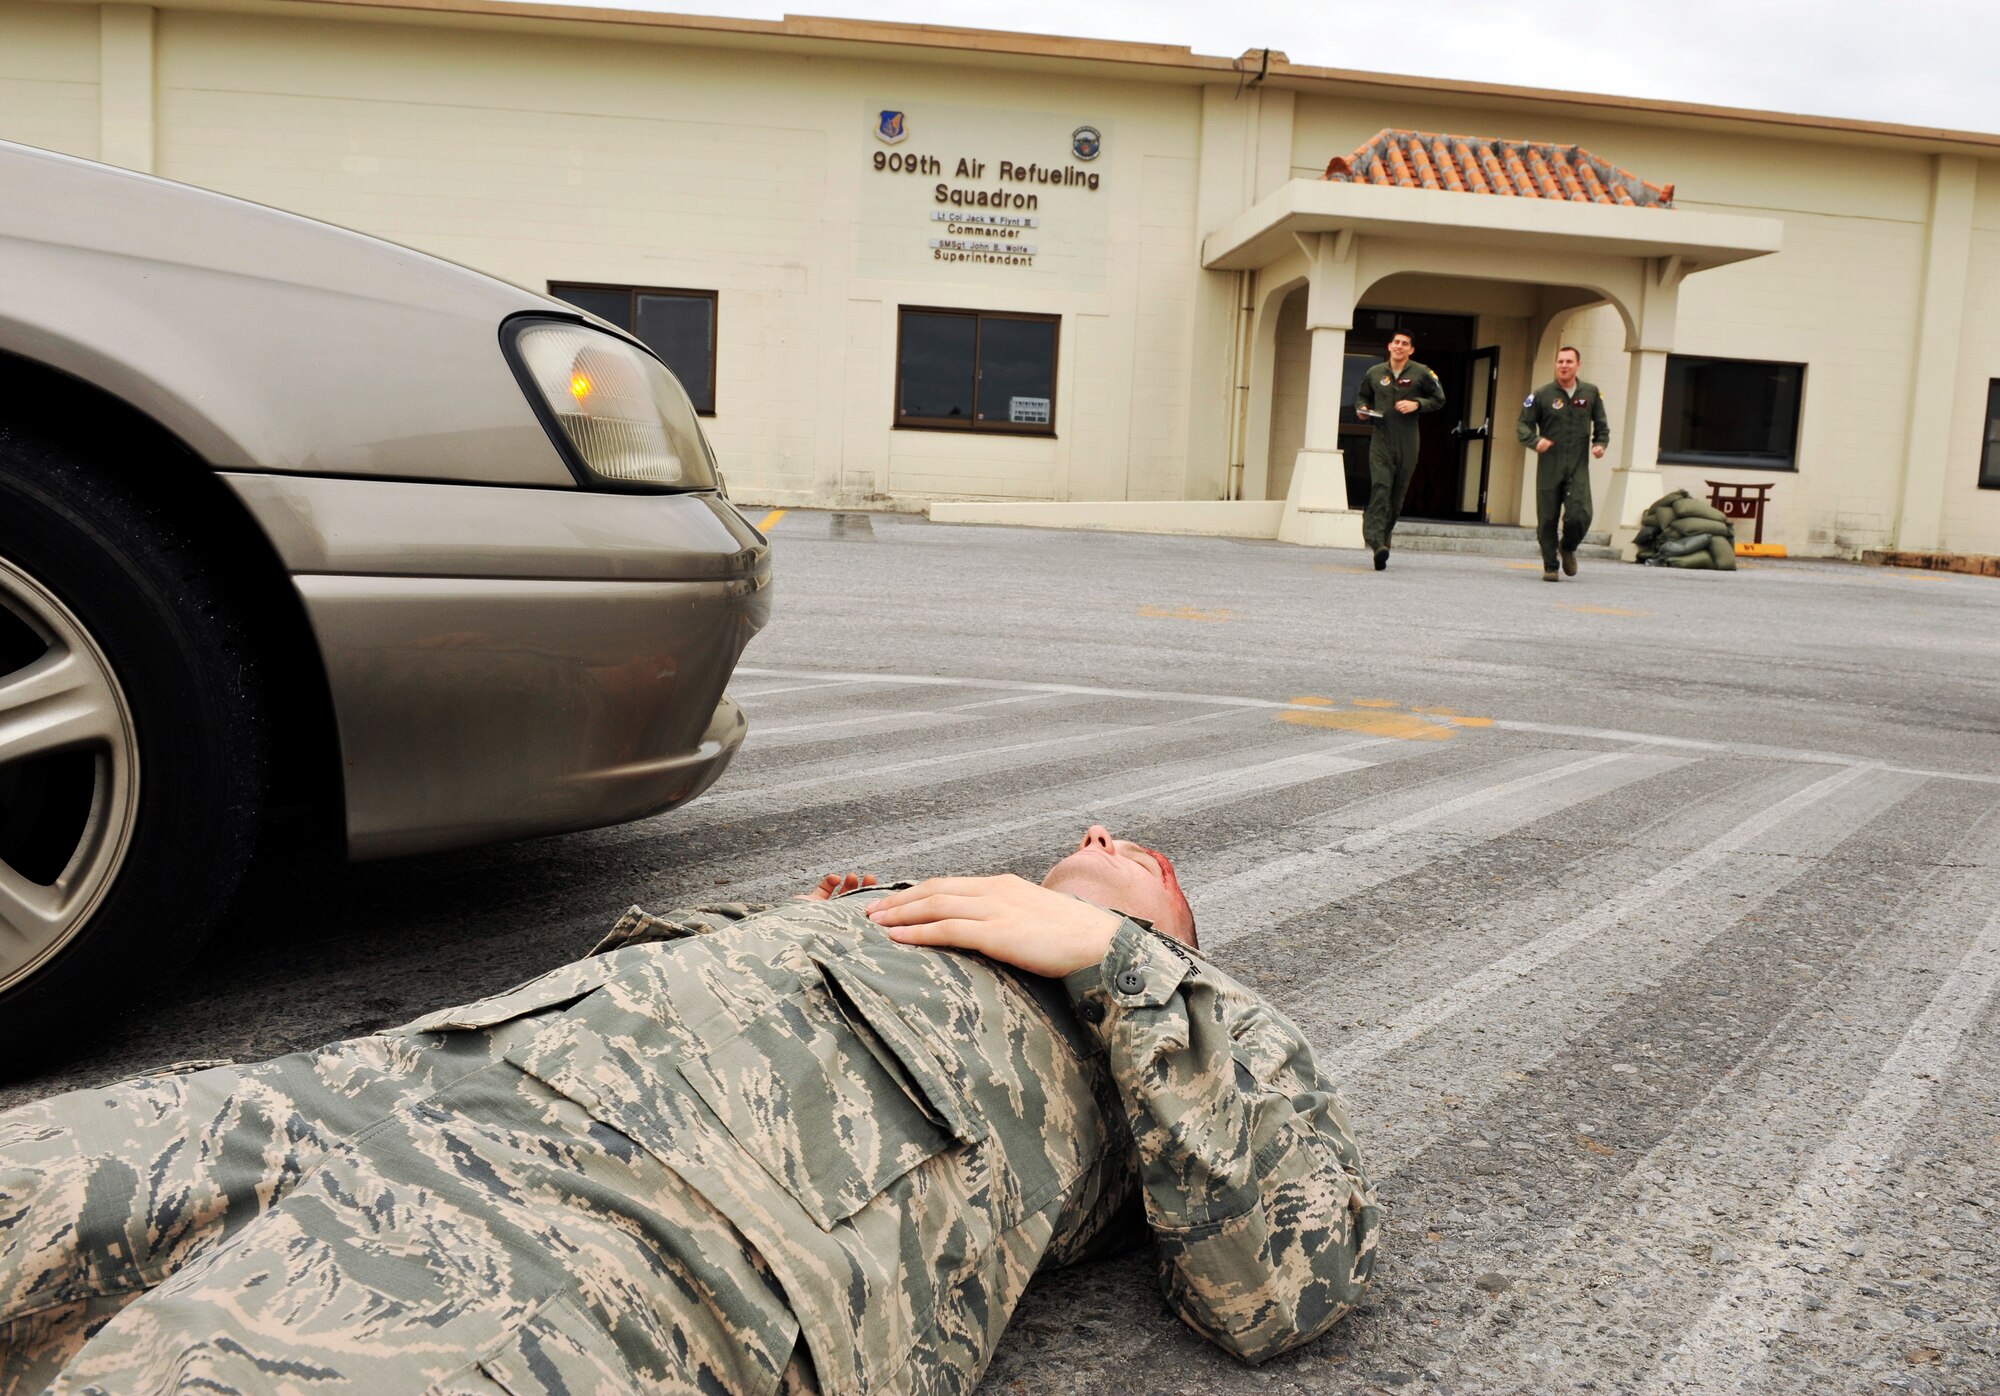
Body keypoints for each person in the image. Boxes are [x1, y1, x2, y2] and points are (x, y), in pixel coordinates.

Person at [0, 828, 1378, 1396]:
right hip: (415, 1077)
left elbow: (1278, 1292)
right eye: (1082, 841)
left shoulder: (1184, 1032)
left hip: (636, 1225)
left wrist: (1127, 969)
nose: (1102, 833)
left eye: (1143, 860)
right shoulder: (901, 904)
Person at [1352, 331, 1447, 571]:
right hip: (1381, 439)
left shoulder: (1422, 373)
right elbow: (1363, 398)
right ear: (1389, 346)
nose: (1400, 346)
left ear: (1411, 350)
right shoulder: (1375, 373)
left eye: (1405, 344)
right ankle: (1375, 541)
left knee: (1396, 496)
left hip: (1407, 440)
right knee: (1381, 488)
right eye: (1396, 342)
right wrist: (1363, 410)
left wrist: (1417, 404)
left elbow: (1439, 399)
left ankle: (1383, 544)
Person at [1517, 346, 1611, 581]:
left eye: (1569, 361)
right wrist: (1535, 441)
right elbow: (1523, 425)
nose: (1564, 365)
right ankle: (1550, 566)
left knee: (1580, 514)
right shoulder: (1542, 394)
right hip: (1550, 465)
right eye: (1560, 361)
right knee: (1547, 518)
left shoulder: (1590, 393)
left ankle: (1568, 546)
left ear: (1578, 365)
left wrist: (1600, 444)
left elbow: (1602, 425)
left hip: (1578, 465)